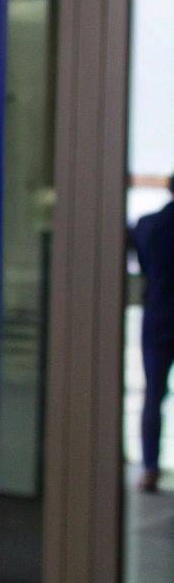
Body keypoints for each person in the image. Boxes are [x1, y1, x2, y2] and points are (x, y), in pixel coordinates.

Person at [133, 175, 174, 494]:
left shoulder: (148, 225)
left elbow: (144, 267)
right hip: (160, 313)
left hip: (158, 315)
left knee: (153, 395)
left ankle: (149, 468)